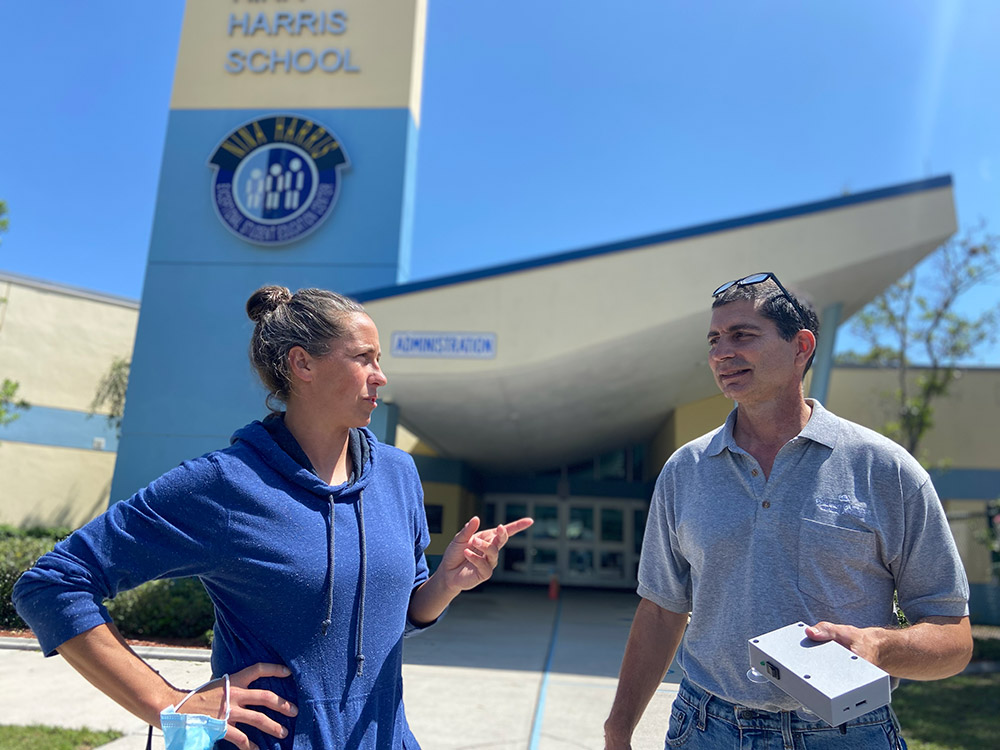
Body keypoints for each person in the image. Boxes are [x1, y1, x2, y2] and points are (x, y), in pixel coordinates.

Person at [14, 285, 532, 750]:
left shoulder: (398, 474)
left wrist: (444, 582)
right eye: (363, 358)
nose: (381, 375)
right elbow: (52, 584)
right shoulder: (226, 483)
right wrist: (164, 700)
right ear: (303, 364)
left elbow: (391, 621)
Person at [604, 272, 972, 750]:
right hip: (706, 727)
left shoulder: (886, 470)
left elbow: (954, 640)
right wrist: (618, 730)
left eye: (743, 335)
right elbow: (660, 611)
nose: (721, 352)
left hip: (845, 733)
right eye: (714, 339)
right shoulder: (685, 470)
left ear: (801, 346)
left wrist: (878, 647)